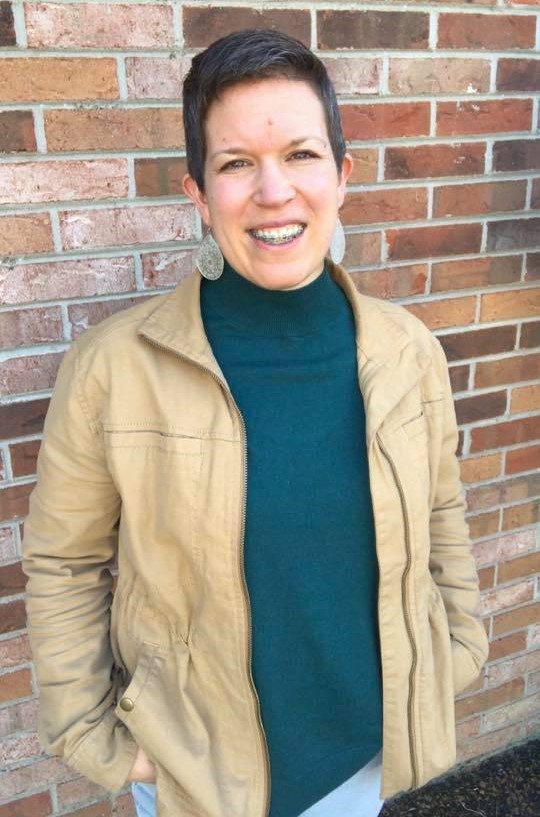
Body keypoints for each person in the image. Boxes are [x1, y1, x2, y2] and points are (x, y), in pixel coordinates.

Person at [22, 29, 489, 817]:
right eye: (236, 163)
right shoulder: (113, 368)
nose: (273, 192)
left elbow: (442, 510)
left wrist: (461, 648)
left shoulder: (406, 351)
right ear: (199, 193)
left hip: (362, 753)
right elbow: (63, 565)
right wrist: (97, 738)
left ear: (342, 175)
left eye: (301, 155)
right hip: (196, 779)